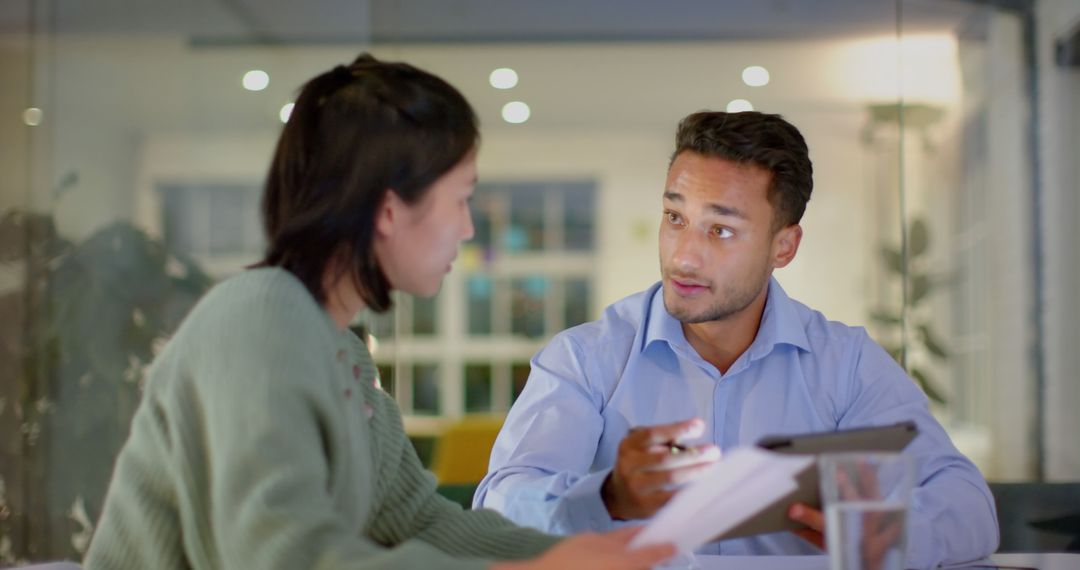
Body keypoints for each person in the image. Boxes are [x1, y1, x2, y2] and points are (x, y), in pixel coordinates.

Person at [83, 54, 675, 570]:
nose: (468, 228)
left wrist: (573, 558)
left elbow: (420, 522)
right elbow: (282, 555)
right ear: (390, 209)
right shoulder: (258, 318)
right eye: (462, 200)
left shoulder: (340, 349)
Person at [473, 111, 1000, 568]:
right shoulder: (587, 360)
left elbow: (969, 507)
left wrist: (880, 537)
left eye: (720, 230)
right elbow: (498, 511)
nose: (683, 256)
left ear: (784, 246)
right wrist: (607, 497)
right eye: (675, 217)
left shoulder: (847, 365)